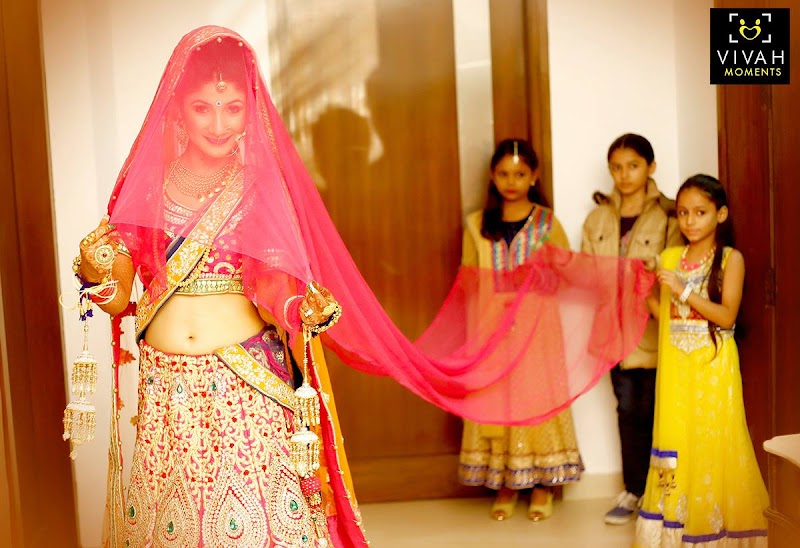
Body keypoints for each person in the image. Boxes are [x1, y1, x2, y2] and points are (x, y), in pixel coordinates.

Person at [73, 27, 367, 546]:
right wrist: (97, 273)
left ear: (249, 112)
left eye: (232, 108)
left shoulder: (258, 189)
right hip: (166, 390)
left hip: (243, 383)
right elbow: (120, 299)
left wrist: (302, 308)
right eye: (203, 107)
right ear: (178, 110)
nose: (219, 123)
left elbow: (274, 285)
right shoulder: (148, 188)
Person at [634, 175, 768, 547]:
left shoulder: (730, 259)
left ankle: (714, 531)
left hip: (713, 367)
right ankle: (673, 530)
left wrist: (684, 290)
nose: (690, 221)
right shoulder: (670, 258)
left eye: (700, 212)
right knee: (676, 440)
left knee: (712, 444)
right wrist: (645, 292)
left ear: (720, 214)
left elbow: (726, 316)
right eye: (683, 213)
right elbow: (668, 318)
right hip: (677, 368)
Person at [458, 139, 583, 521]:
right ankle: (507, 483)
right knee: (498, 400)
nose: (511, 182)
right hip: (492, 327)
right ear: (492, 176)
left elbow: (568, 273)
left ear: (534, 176)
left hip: (537, 328)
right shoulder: (477, 224)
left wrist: (540, 276)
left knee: (536, 398)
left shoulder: (547, 223)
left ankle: (543, 485)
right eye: (503, 174)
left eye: (520, 174)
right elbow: (467, 280)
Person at [581, 133, 682, 525]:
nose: (624, 175)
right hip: (613, 332)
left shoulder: (670, 215)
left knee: (658, 410)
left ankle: (664, 493)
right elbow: (587, 275)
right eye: (617, 167)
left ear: (650, 167)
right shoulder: (597, 219)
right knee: (626, 410)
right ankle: (633, 490)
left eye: (633, 166)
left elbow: (674, 270)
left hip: (654, 331)